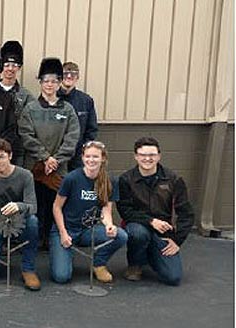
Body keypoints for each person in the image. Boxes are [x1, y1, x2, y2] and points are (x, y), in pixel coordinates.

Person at [18, 57, 80, 248]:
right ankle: (34, 240)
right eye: (46, 81)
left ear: (59, 83)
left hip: (58, 169)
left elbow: (72, 137)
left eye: (54, 81)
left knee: (56, 204)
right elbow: (26, 135)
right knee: (37, 204)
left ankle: (53, 239)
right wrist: (45, 157)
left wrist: (57, 159)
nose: (50, 85)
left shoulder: (68, 109)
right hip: (36, 167)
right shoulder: (30, 108)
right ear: (40, 82)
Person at [117, 137, 193, 286]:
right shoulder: (126, 179)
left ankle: (151, 254)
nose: (147, 159)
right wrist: (151, 221)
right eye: (143, 155)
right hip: (138, 226)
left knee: (173, 277)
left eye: (152, 155)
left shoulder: (174, 180)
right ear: (136, 156)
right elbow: (125, 211)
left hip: (163, 233)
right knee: (138, 234)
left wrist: (177, 240)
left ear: (159, 156)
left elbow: (186, 213)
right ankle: (135, 265)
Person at [50, 141, 128, 283]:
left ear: (103, 158)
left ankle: (98, 263)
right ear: (82, 157)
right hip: (66, 229)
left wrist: (109, 225)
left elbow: (106, 209)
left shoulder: (110, 180)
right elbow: (56, 207)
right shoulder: (71, 178)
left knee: (120, 235)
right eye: (88, 156)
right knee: (61, 277)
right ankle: (64, 255)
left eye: (95, 157)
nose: (91, 160)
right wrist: (63, 233)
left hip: (88, 230)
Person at [0, 138, 40, 290]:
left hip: (18, 222)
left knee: (33, 221)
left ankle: (28, 269)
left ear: (10, 156)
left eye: (1, 156)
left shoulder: (25, 176)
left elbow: (33, 207)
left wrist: (19, 206)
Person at [58, 61, 98, 171]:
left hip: (77, 155)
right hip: (56, 155)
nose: (69, 76)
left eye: (73, 73)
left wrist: (84, 150)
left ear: (78, 77)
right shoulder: (52, 98)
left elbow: (92, 130)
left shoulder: (86, 100)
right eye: (66, 73)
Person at [0, 40, 34, 167]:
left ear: (19, 67)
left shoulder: (26, 96)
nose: (10, 69)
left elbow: (29, 124)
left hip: (17, 149)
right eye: (7, 64)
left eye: (14, 65)